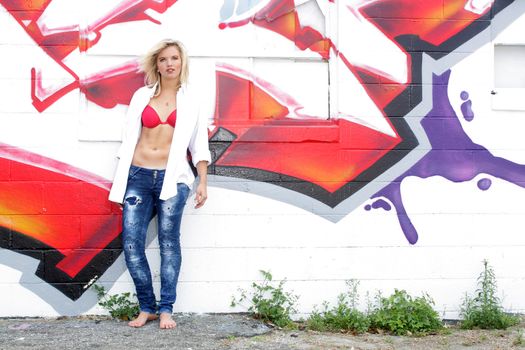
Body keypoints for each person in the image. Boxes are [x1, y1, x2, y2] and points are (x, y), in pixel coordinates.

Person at [108, 39, 211, 329]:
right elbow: (130, 138)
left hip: (173, 179)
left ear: (182, 62)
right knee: (131, 244)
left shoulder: (192, 100)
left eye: (174, 58)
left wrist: (202, 182)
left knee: (169, 244)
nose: (169, 64)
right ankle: (146, 307)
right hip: (138, 177)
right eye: (164, 59)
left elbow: (199, 145)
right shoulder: (142, 96)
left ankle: (166, 309)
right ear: (157, 64)